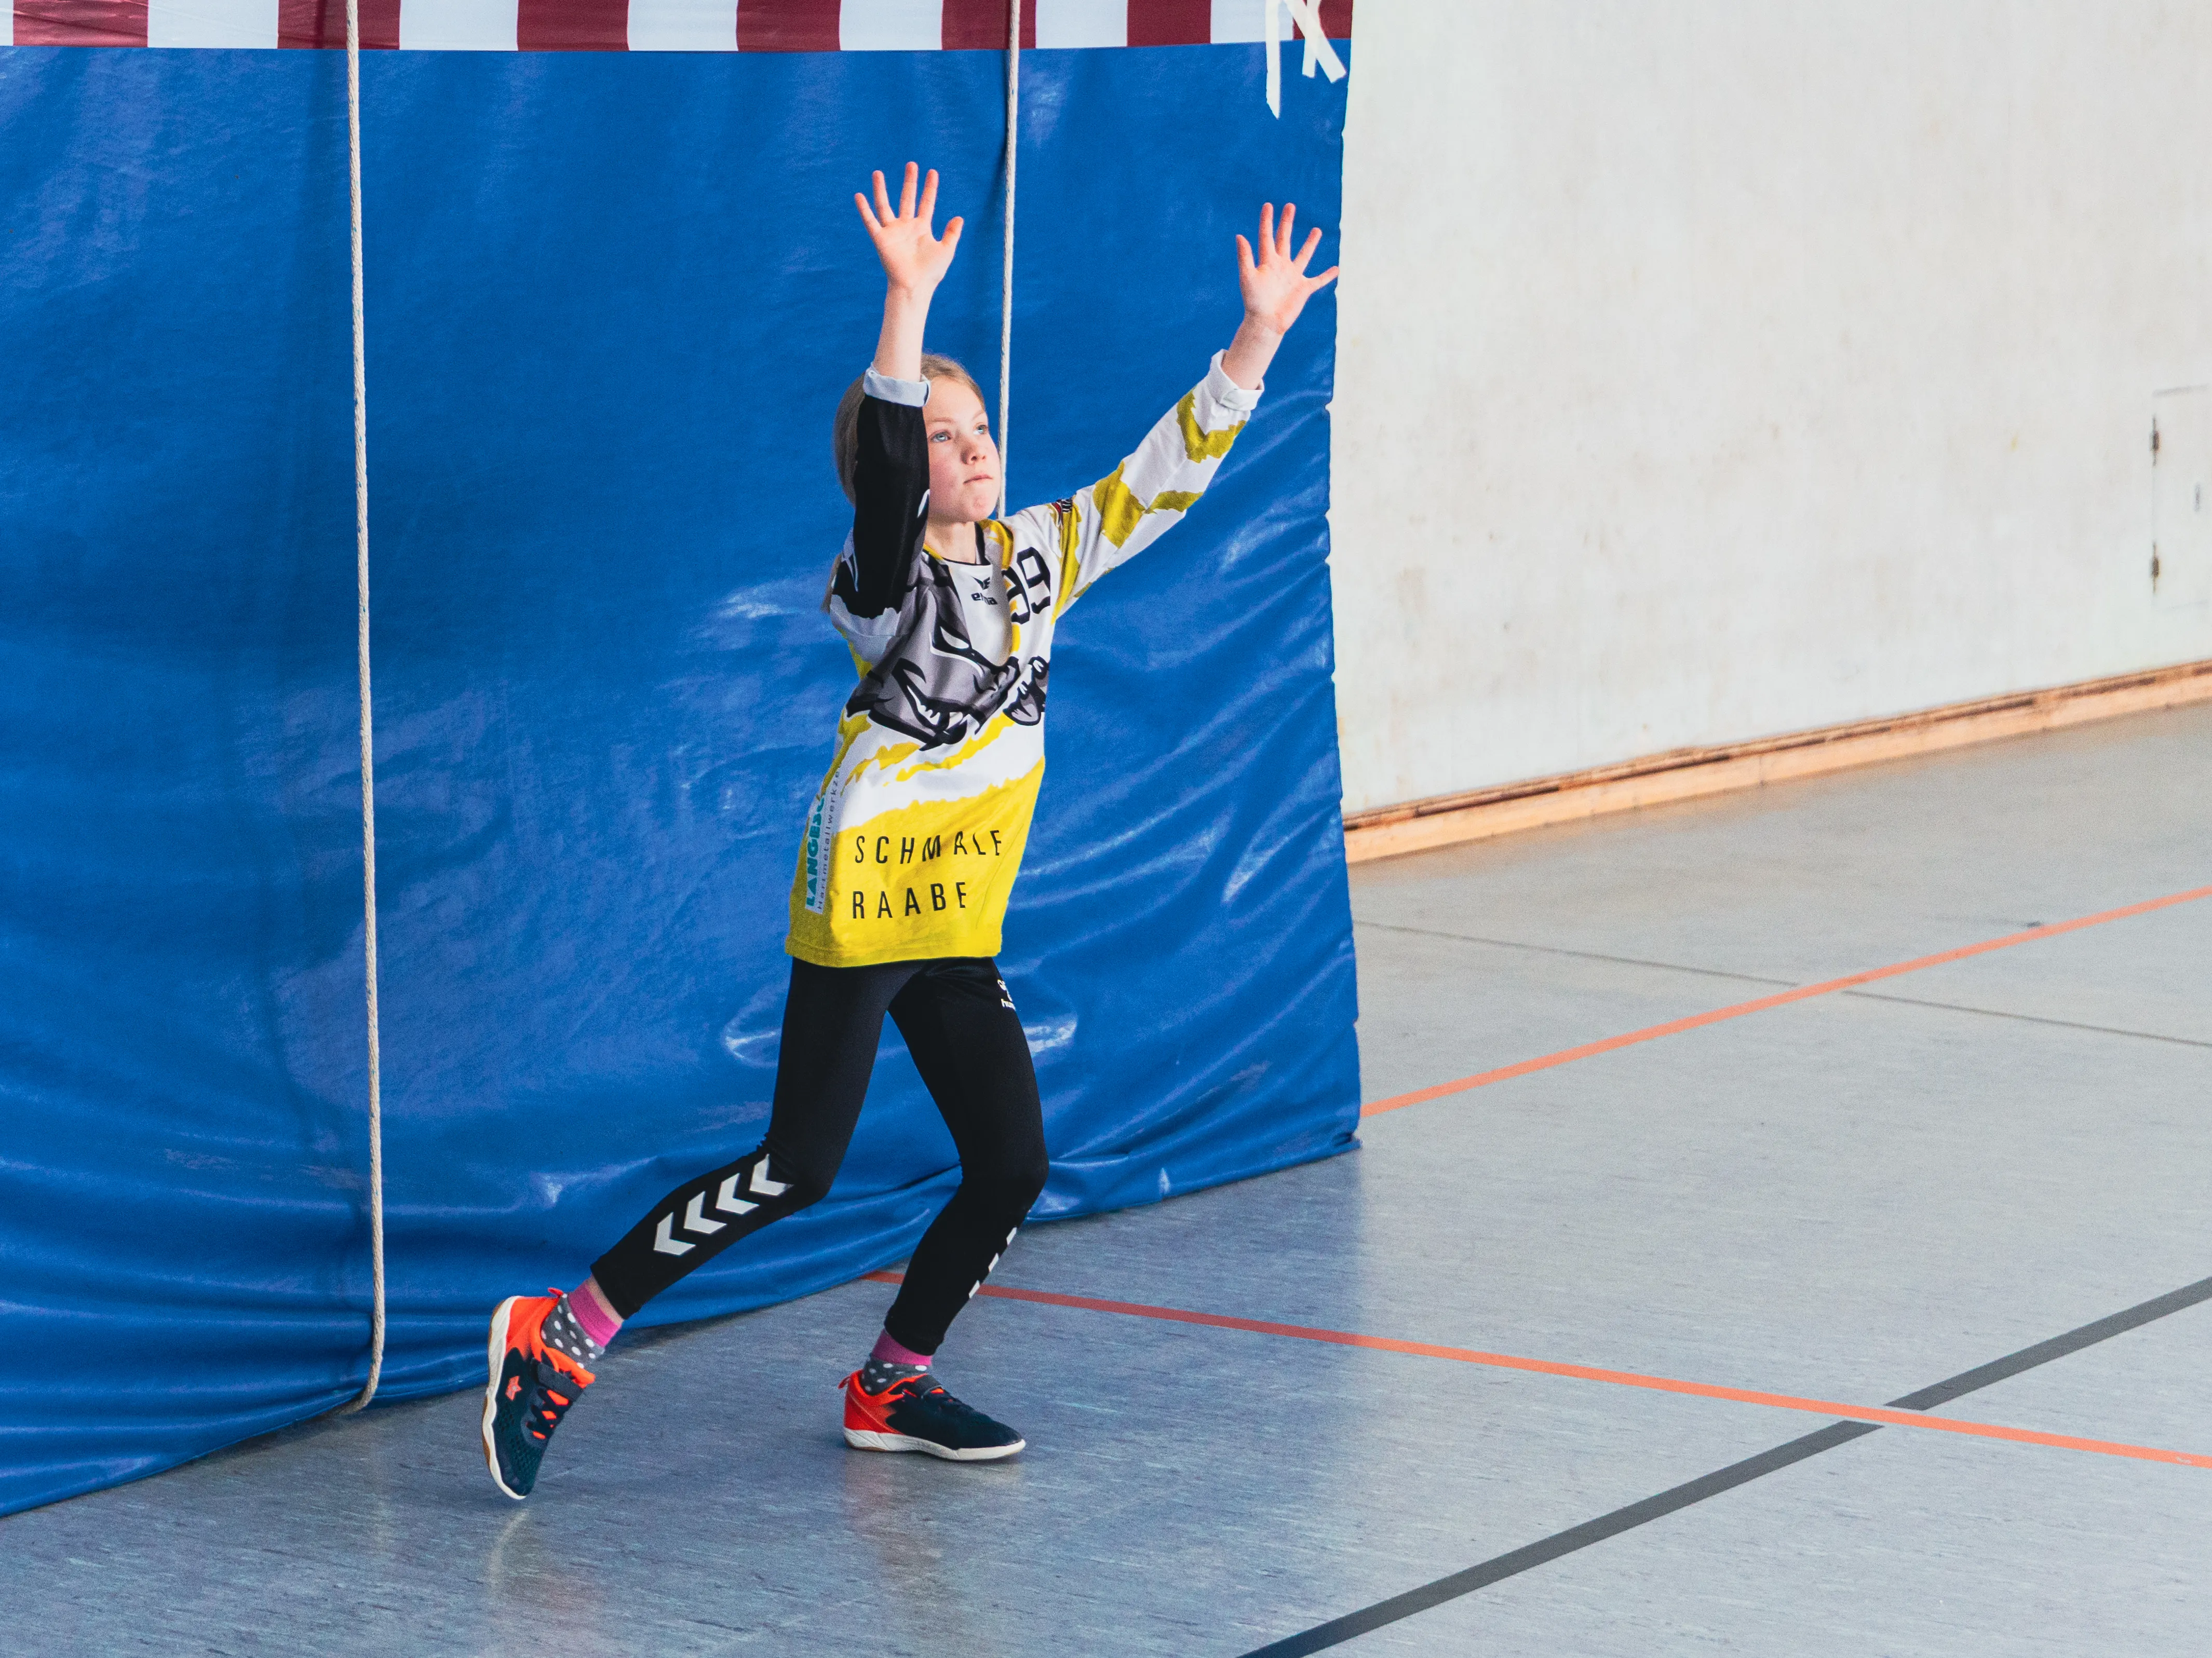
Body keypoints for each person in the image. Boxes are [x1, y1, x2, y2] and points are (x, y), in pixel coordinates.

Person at [481, 161, 1338, 1499]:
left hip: (960, 911)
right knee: (797, 1167)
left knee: (1011, 1160)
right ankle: (567, 1327)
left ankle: (888, 1379)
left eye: (978, 426)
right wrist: (904, 314)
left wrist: (1258, 340)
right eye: (943, 437)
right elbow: (883, 503)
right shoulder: (876, 590)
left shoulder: (1041, 556)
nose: (972, 447)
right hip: (869, 896)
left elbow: (1159, 481)